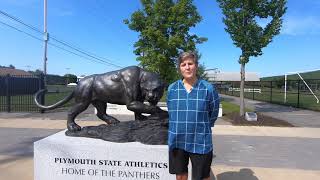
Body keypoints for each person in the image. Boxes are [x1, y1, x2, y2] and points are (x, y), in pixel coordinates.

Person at [166, 51, 220, 180]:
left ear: (196, 66)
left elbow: (213, 113)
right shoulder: (172, 89)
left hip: (200, 141)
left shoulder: (208, 89)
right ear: (180, 68)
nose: (187, 67)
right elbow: (171, 112)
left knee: (202, 177)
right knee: (180, 176)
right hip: (177, 140)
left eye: (190, 63)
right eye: (183, 64)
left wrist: (203, 126)